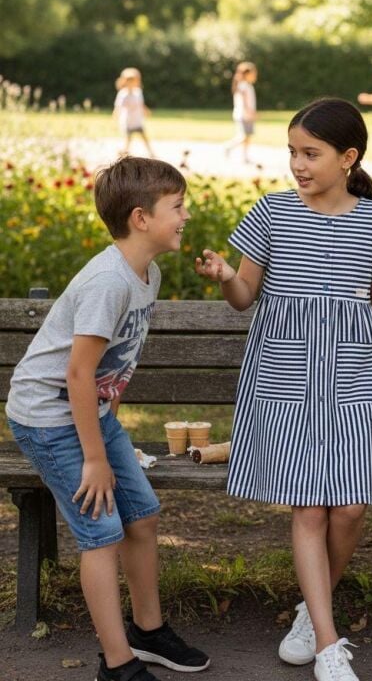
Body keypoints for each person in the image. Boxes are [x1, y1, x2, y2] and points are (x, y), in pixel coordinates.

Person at [195, 97, 372, 681]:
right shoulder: (270, 211)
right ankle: (327, 643)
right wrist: (225, 278)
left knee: (349, 506)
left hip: (351, 377)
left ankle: (309, 609)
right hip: (285, 378)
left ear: (347, 157)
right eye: (292, 152)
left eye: (310, 153)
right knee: (308, 505)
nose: (297, 164)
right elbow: (245, 297)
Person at [6, 157, 209, 681]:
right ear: (141, 218)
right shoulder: (108, 282)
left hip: (88, 413)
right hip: (48, 418)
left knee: (142, 515)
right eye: (178, 207)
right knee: (101, 533)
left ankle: (147, 631)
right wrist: (95, 459)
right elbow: (77, 373)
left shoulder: (148, 273)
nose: (186, 216)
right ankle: (117, 666)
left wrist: (108, 430)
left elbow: (113, 365)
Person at [113, 67, 154, 158]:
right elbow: (118, 107)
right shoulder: (123, 94)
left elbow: (141, 104)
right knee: (128, 139)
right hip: (128, 121)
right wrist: (115, 115)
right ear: (125, 82)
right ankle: (123, 153)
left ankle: (151, 152)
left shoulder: (138, 92)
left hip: (137, 120)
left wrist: (146, 111)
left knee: (144, 137)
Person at [224, 61, 258, 164]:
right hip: (243, 115)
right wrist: (250, 112)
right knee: (243, 136)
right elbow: (244, 102)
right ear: (247, 74)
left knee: (247, 137)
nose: (255, 75)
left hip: (247, 115)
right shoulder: (243, 86)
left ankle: (245, 156)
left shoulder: (247, 86)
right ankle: (228, 147)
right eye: (253, 73)